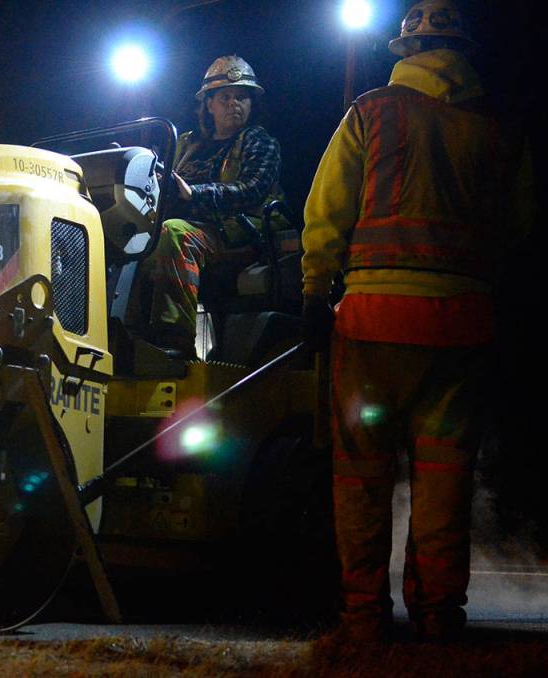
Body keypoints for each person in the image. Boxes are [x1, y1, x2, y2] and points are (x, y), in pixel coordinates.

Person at [300, 0, 533, 642]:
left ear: (405, 50)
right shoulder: (499, 129)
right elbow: (521, 228)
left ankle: (362, 617)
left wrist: (315, 291)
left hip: (373, 323)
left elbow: (325, 211)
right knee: (444, 479)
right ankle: (437, 617)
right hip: (462, 327)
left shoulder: (371, 112)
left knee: (362, 475)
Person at [143, 55, 286, 358]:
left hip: (238, 233)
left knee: (175, 234)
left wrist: (193, 194)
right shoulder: (186, 144)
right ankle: (127, 335)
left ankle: (174, 342)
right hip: (194, 230)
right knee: (130, 243)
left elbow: (251, 191)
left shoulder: (259, 141)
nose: (234, 103)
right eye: (225, 97)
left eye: (241, 97)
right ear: (209, 104)